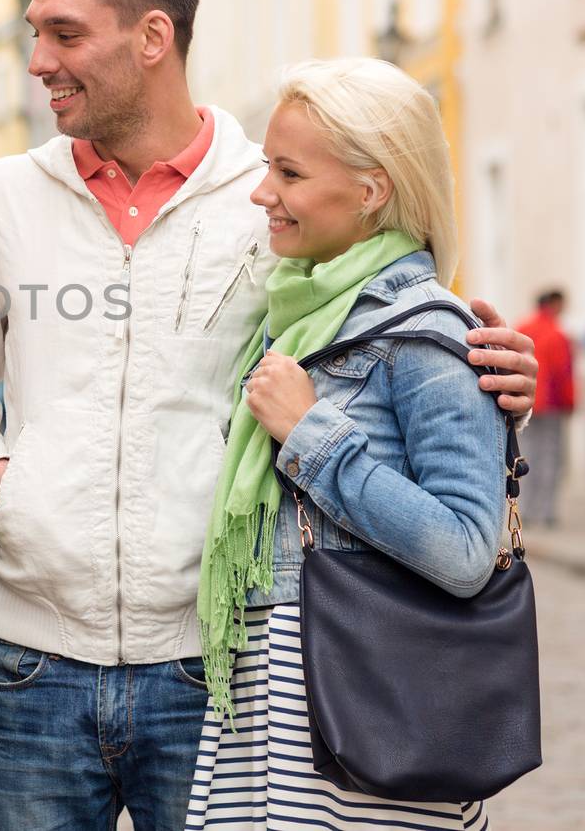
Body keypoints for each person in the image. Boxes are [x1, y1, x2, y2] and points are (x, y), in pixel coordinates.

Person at [0, 0, 537, 831]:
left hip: (214, 666)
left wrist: (493, 375)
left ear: (153, 38)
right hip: (32, 662)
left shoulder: (271, 194)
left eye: (64, 33)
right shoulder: (2, 199)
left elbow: (374, 333)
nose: (38, 61)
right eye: (34, 33)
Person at [186, 57, 511, 828]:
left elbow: (467, 550)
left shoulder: (428, 334)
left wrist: (312, 435)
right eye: (268, 166)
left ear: (372, 190)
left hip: (364, 716)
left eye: (289, 173)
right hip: (277, 712)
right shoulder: (295, 315)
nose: (264, 192)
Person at [518, 289, 576, 526]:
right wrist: (570, 402)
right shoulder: (557, 334)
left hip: (525, 402)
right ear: (553, 304)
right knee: (551, 457)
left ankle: (528, 511)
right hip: (550, 405)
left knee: (527, 455)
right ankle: (548, 511)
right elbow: (563, 373)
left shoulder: (522, 328)